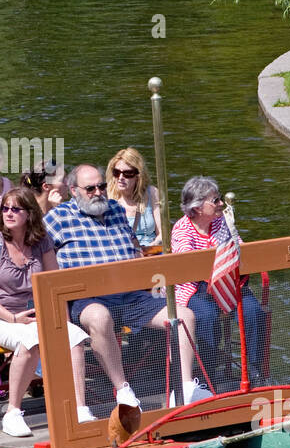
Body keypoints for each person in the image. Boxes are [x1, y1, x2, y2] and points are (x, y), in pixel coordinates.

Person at [45, 164, 210, 413]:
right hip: (88, 299)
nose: (99, 192)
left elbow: (133, 248)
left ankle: (185, 387)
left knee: (184, 316)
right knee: (100, 318)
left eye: (101, 186)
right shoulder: (57, 218)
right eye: (90, 188)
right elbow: (35, 251)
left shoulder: (116, 210)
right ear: (73, 190)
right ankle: (123, 391)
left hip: (131, 295)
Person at [0, 188, 91, 437]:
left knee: (75, 337)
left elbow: (54, 284)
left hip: (34, 316)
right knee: (30, 340)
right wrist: (12, 318)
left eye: (16, 209)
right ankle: (12, 412)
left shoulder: (42, 242)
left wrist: (62, 322)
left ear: (30, 214)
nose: (9, 213)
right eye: (5, 208)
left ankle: (80, 408)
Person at [171, 176, 269, 387]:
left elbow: (239, 247)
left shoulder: (222, 221)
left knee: (254, 312)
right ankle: (208, 375)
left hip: (229, 284)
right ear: (197, 207)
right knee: (207, 316)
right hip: (196, 287)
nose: (221, 204)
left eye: (219, 199)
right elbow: (188, 266)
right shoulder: (182, 229)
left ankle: (255, 371)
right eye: (215, 200)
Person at [107, 147, 161, 249]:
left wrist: (153, 246)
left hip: (152, 250)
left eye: (127, 173)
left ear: (138, 176)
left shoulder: (152, 192)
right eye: (116, 172)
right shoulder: (107, 198)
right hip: (125, 253)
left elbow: (162, 233)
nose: (121, 177)